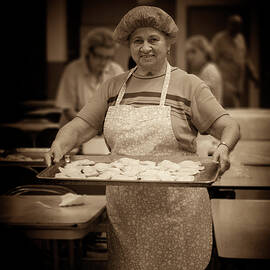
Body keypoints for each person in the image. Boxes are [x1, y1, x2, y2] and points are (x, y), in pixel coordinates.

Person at [45, 6, 240, 270]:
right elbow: (81, 124)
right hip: (127, 213)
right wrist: (60, 142)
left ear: (169, 43)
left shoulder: (189, 85)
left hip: (176, 212)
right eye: (137, 40)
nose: (145, 47)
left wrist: (225, 147)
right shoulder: (113, 86)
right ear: (129, 45)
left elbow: (228, 125)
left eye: (153, 39)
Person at [55, 27, 124, 126]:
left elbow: (121, 105)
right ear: (88, 53)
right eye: (99, 56)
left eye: (108, 57)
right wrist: (92, 125)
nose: (103, 62)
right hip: (74, 129)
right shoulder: (73, 70)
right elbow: (67, 109)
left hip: (104, 129)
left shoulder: (116, 70)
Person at [212, 14, 259, 107]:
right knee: (231, 109)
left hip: (238, 83)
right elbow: (213, 61)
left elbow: (245, 58)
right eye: (234, 24)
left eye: (239, 25)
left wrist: (254, 75)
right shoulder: (219, 39)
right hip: (225, 82)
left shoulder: (241, 39)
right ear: (228, 25)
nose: (236, 27)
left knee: (235, 109)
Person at [185, 35, 223, 104]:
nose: (189, 56)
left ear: (204, 52)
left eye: (193, 51)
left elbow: (202, 100)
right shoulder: (200, 71)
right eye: (187, 53)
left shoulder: (210, 70)